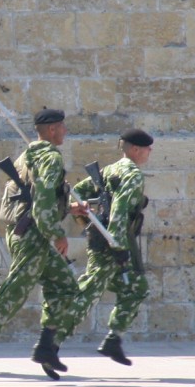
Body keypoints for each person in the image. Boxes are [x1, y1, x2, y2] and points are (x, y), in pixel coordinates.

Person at [0, 109, 85, 387]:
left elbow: (36, 199)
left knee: (65, 285)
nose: (65, 131)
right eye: (62, 127)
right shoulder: (49, 156)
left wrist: (71, 207)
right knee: (12, 294)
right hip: (34, 236)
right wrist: (57, 233)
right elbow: (44, 202)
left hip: (27, 232)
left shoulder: (27, 156)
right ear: (50, 130)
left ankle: (46, 347)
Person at [50, 128, 153, 365]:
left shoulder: (109, 170)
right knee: (89, 292)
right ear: (135, 149)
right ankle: (52, 342)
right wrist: (117, 245)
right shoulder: (133, 174)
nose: (149, 152)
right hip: (113, 240)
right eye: (147, 148)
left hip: (106, 236)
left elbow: (77, 192)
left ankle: (113, 340)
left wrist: (85, 207)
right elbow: (120, 209)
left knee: (136, 287)